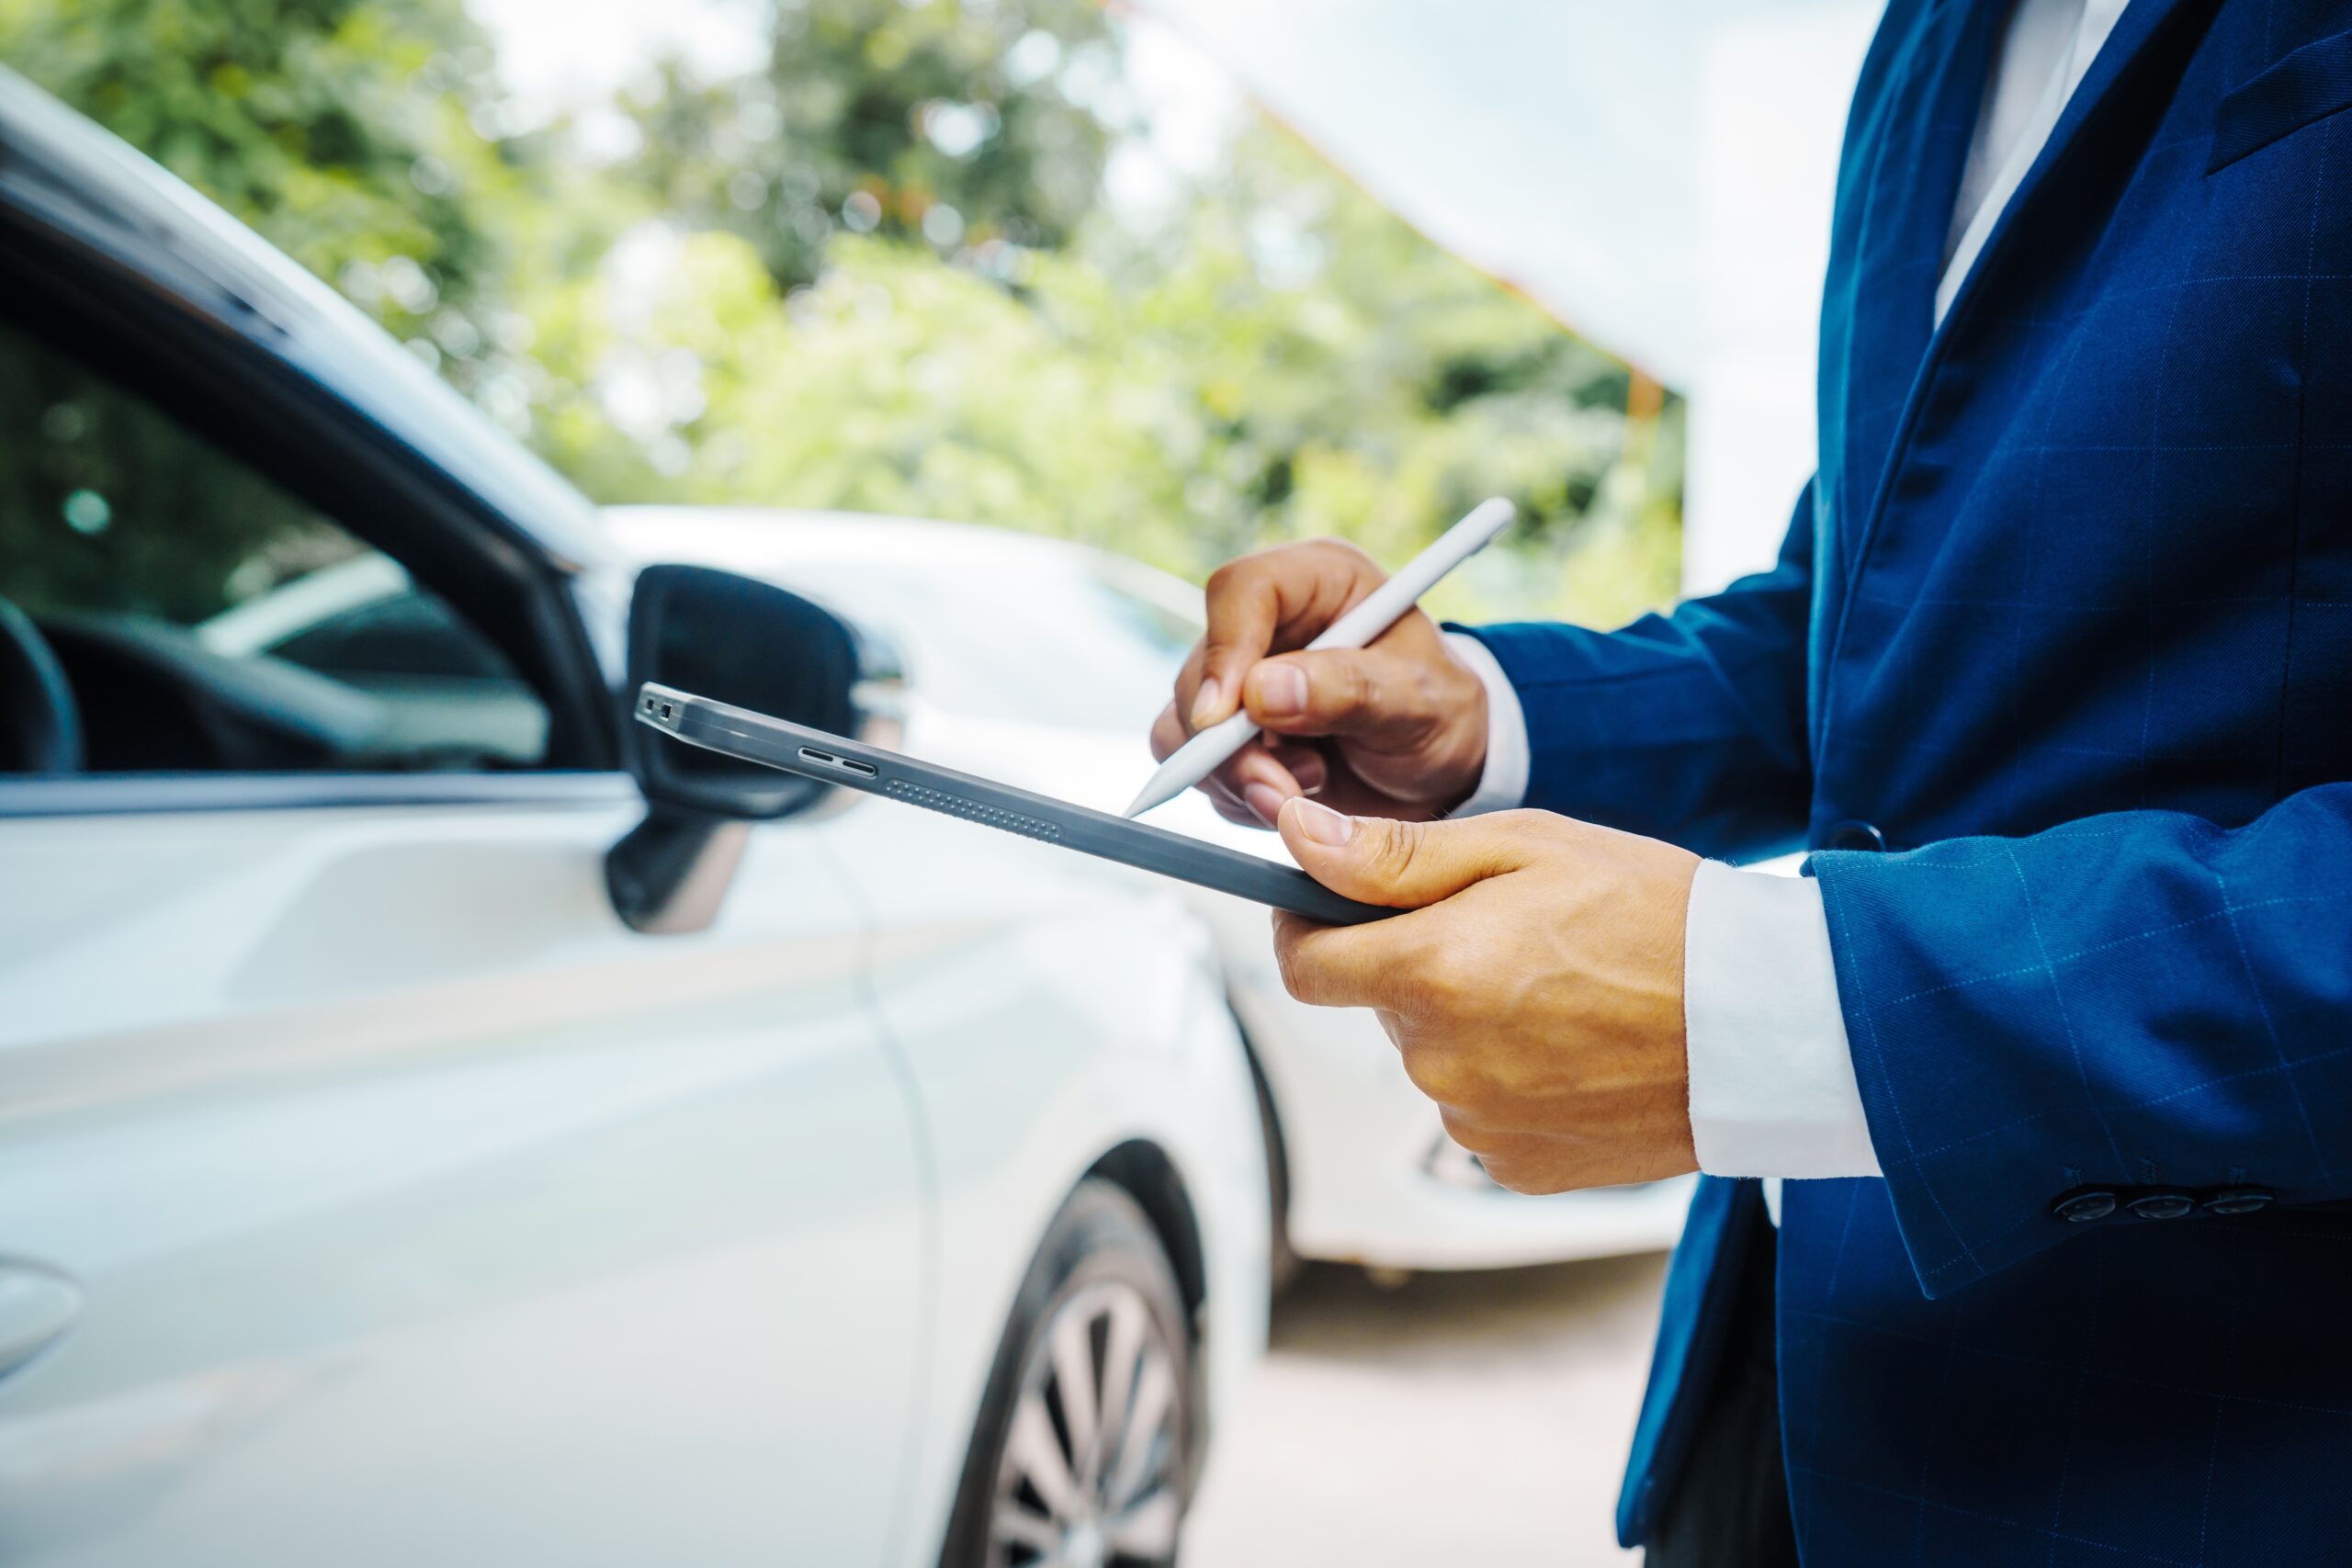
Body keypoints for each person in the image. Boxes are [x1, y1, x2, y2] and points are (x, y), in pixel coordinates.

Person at [1148, 2, 2352, 1562]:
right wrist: (1476, 719)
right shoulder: (1925, 45)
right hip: (1770, 1405)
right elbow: (1866, 617)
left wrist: (1805, 1015)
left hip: (2211, 1467)